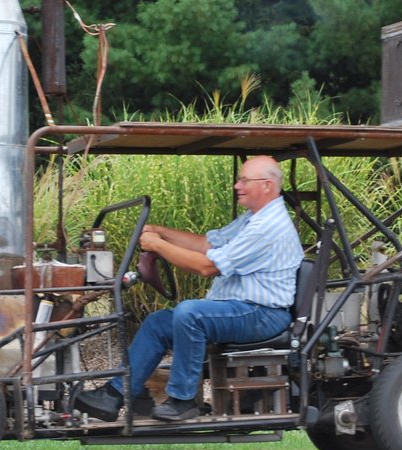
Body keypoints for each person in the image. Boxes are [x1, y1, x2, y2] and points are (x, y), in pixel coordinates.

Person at [75, 154, 303, 422]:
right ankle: (114, 395)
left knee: (190, 313)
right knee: (159, 322)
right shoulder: (252, 219)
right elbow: (208, 244)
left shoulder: (268, 226)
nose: (237, 185)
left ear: (266, 185)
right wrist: (160, 231)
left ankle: (183, 401)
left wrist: (158, 246)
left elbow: (207, 266)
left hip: (262, 314)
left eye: (243, 180)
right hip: (241, 310)